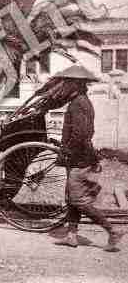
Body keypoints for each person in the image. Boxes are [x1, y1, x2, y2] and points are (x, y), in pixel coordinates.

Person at [54, 65, 127, 251]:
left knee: (79, 200)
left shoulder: (79, 103)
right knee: (72, 198)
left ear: (76, 85)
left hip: (80, 159)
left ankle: (112, 230)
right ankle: (71, 236)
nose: (64, 86)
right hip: (80, 158)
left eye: (68, 83)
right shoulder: (80, 101)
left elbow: (81, 134)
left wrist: (67, 150)